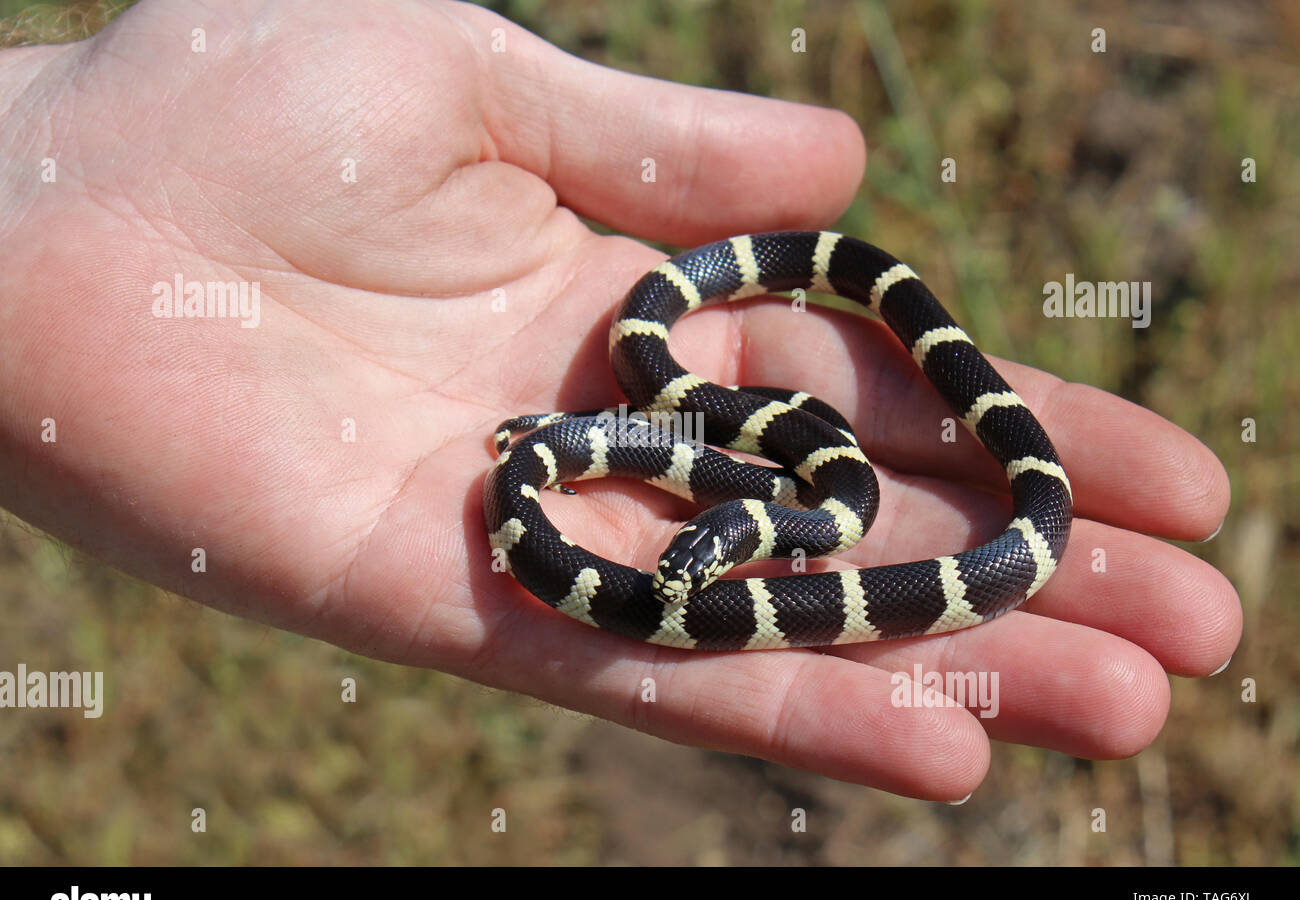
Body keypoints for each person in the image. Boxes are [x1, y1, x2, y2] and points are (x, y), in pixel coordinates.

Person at [0, 0, 1239, 799]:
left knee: (980, 485)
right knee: (665, 393)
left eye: (701, 553)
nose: (688, 560)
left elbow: (762, 516)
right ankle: (554, 467)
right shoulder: (785, 477)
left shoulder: (814, 503)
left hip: (769, 473)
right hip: (740, 462)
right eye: (701, 554)